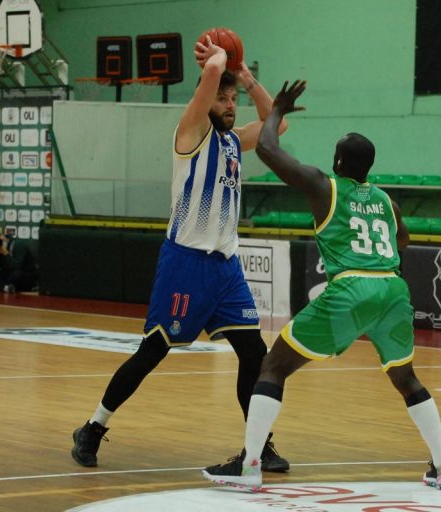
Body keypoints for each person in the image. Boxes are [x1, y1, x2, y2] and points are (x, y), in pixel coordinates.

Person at [202, 81, 441, 491]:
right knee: (406, 378)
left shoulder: (325, 187)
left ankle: (249, 465)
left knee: (273, 366)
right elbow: (403, 240)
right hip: (392, 290)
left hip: (351, 288)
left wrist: (278, 111)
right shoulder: (387, 201)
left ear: (338, 161)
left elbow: (267, 148)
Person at [70, 35, 291, 472]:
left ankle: (258, 444)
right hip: (185, 264)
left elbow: (276, 126)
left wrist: (245, 77)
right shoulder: (190, 132)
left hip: (226, 268)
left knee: (254, 353)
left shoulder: (233, 142)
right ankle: (93, 427)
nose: (230, 105)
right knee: (153, 351)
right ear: (206, 100)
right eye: (222, 98)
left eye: (233, 99)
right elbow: (209, 79)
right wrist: (218, 60)